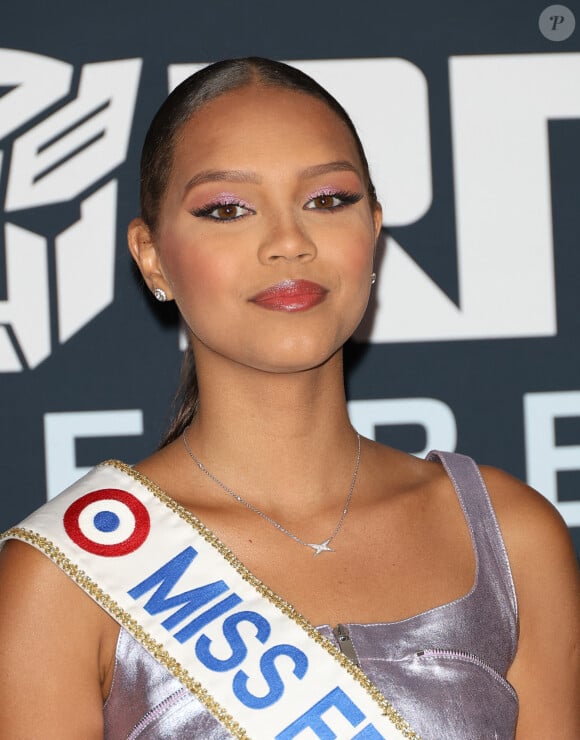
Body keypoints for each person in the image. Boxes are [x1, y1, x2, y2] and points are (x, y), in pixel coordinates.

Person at [0, 57, 578, 740]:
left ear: (375, 231)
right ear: (152, 257)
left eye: (328, 200)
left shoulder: (514, 541)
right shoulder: (64, 577)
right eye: (228, 209)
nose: (288, 242)